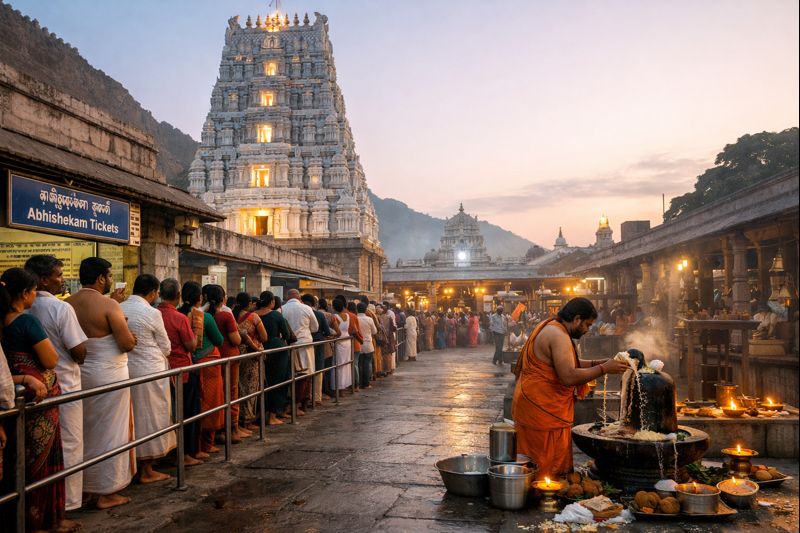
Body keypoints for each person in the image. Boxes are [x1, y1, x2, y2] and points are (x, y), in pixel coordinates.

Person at [511, 298, 629, 478]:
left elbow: (565, 362)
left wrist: (599, 362)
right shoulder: (558, 335)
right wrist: (604, 369)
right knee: (543, 466)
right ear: (576, 319)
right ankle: (541, 493)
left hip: (533, 403)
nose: (587, 330)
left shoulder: (550, 325)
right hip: (541, 408)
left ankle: (538, 489)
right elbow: (568, 376)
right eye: (587, 324)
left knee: (537, 460)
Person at [1, 268, 79, 531]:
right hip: (38, 401)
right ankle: (45, 520)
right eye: (34, 291)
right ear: (24, 293)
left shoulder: (3, 321)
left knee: (19, 461)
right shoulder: (26, 322)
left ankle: (22, 519)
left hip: (15, 399)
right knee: (44, 464)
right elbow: (50, 359)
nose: (35, 295)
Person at [67, 257, 136, 509]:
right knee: (111, 433)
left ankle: (83, 488)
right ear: (100, 279)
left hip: (82, 375)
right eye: (108, 276)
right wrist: (131, 335)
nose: (109, 280)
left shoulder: (68, 304)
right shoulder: (108, 305)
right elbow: (126, 343)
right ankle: (106, 491)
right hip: (109, 376)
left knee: (85, 430)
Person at [25, 255, 88, 512]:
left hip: (33, 390)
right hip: (64, 386)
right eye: (59, 275)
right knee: (70, 444)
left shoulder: (21, 309)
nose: (62, 280)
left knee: (36, 452)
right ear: (43, 280)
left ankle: (39, 508)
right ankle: (67, 504)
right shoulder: (60, 308)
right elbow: (79, 351)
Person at [119, 274, 175, 483]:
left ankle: (132, 466)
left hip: (126, 369)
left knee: (131, 418)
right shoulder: (152, 312)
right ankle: (147, 469)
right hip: (151, 370)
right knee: (152, 418)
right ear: (153, 292)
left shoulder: (120, 307)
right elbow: (166, 347)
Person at [157, 278, 200, 467]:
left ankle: (168, 451)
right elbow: (191, 346)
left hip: (161, 372)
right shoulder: (179, 318)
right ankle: (185, 454)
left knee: (166, 414)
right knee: (187, 413)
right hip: (182, 371)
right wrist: (197, 329)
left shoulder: (154, 314)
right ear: (178, 296)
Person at [180, 282, 224, 455]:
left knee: (190, 406)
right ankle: (205, 445)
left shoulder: (179, 314)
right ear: (200, 298)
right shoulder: (205, 317)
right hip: (208, 364)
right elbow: (219, 340)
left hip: (187, 364)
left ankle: (191, 446)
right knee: (211, 402)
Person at [208, 286, 245, 441]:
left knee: (217, 394)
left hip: (212, 359)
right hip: (229, 357)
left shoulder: (203, 315)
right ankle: (232, 429)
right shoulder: (225, 315)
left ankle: (218, 430)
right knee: (231, 391)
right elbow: (236, 339)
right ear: (222, 299)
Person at [280, 289, 318, 411]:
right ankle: (300, 403)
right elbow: (315, 327)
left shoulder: (281, 309)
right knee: (304, 375)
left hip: (289, 345)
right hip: (305, 344)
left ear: (287, 297)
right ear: (299, 297)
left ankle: (289, 404)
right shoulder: (306, 308)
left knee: (290, 375)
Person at [256, 292, 291, 424]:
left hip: (258, 349)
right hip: (277, 350)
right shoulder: (276, 315)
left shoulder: (254, 314)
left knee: (263, 383)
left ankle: (259, 413)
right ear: (272, 302)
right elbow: (287, 334)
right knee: (278, 381)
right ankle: (272, 415)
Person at [236, 292, 268, 427]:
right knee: (251, 387)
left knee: (239, 387)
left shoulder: (233, 315)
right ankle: (247, 420)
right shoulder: (253, 317)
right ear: (249, 303)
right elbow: (264, 337)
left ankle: (238, 419)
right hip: (252, 354)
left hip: (238, 353)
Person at [301, 294, 331, 406]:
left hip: (302, 344)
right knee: (318, 369)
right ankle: (316, 397)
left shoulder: (301, 312)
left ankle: (305, 396)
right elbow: (327, 331)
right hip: (318, 343)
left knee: (305, 370)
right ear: (314, 303)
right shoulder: (319, 314)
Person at [332, 299, 354, 390]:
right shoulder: (347, 316)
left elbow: (338, 332)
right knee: (346, 364)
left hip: (339, 341)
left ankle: (338, 387)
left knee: (338, 365)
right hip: (347, 340)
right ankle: (345, 384)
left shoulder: (335, 316)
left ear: (334, 307)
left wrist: (330, 336)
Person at [356, 302, 378, 388]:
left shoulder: (356, 318)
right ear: (365, 310)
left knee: (359, 364)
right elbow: (374, 331)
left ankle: (359, 383)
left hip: (358, 344)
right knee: (367, 364)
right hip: (368, 344)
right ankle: (367, 383)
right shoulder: (369, 319)